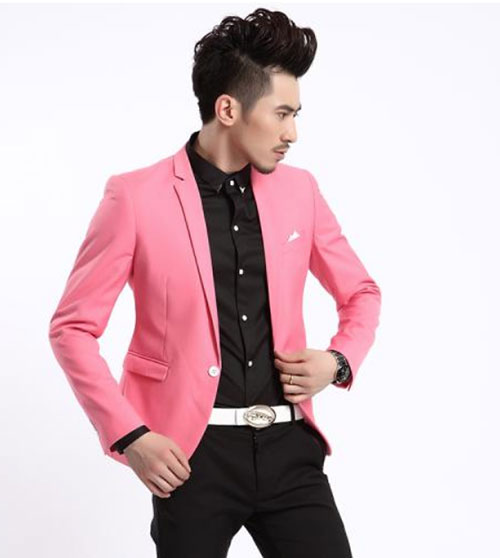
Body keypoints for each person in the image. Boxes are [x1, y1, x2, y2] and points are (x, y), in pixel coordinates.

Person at [48, 7, 381, 557]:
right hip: (191, 457)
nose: (292, 133)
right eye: (281, 114)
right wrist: (131, 437)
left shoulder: (300, 191)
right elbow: (72, 329)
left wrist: (338, 362)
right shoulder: (135, 197)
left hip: (290, 448)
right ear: (228, 109)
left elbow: (361, 292)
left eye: (295, 115)